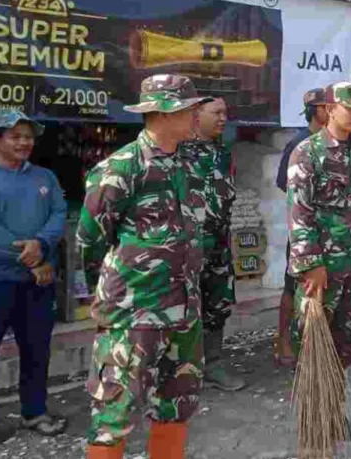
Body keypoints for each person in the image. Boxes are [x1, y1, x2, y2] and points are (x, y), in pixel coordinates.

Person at [78, 74, 214, 459]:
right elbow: (89, 242)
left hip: (183, 312)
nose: (195, 115)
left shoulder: (188, 166)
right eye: (189, 109)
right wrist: (115, 292)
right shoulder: (120, 169)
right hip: (134, 313)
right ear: (164, 111)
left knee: (176, 403)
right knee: (114, 411)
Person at [0, 110, 68, 458]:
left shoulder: (44, 176)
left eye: (28, 136)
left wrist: (42, 245)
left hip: (36, 283)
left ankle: (34, 412)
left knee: (36, 351)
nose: (24, 142)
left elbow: (58, 214)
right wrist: (34, 258)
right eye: (16, 136)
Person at [286, 82, 351, 372]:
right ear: (330, 110)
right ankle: (315, 416)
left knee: (346, 344)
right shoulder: (308, 152)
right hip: (323, 269)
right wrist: (310, 264)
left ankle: (334, 411)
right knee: (313, 346)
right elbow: (299, 212)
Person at [185, 97, 244, 391]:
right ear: (197, 114)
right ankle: (183, 373)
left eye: (225, 112)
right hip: (188, 248)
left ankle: (214, 365)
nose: (223, 118)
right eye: (216, 112)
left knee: (217, 305)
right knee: (184, 309)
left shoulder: (222, 152)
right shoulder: (179, 151)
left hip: (219, 245)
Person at [274, 88, 327, 367]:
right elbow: (286, 185)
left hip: (329, 236)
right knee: (291, 288)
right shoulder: (299, 144)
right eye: (326, 106)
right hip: (303, 232)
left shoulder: (333, 144)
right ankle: (283, 341)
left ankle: (313, 346)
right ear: (317, 111)